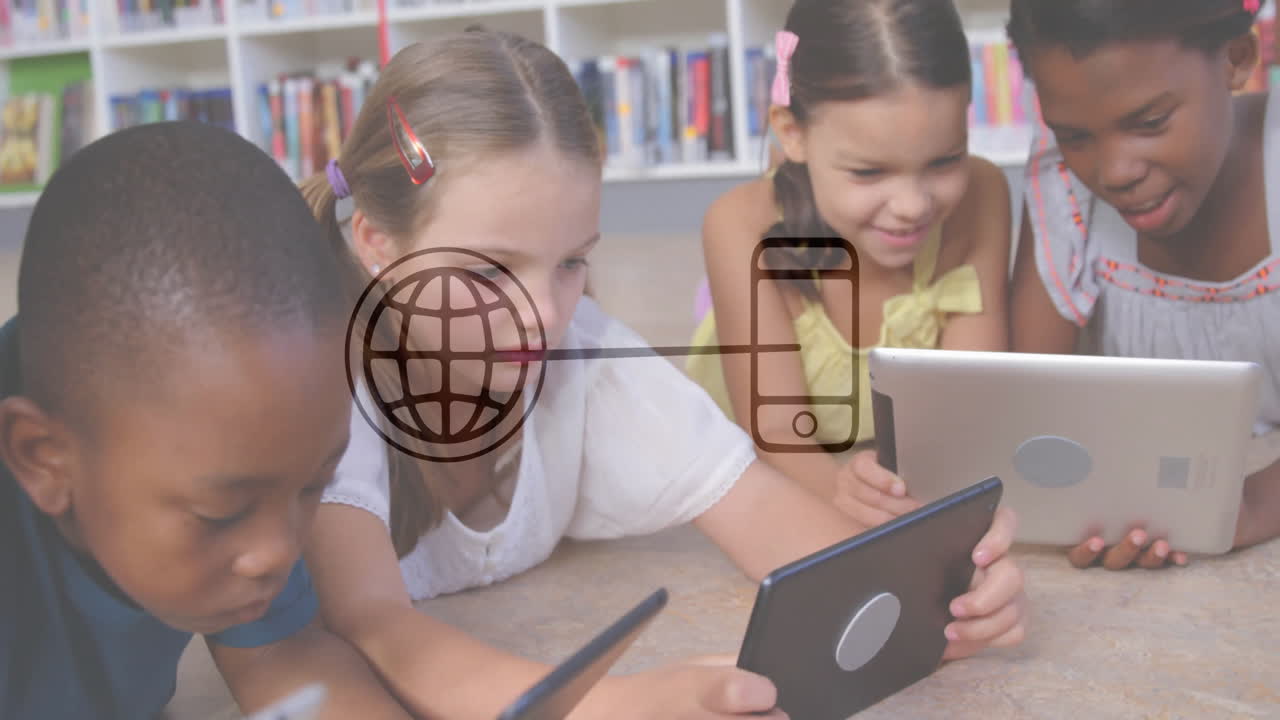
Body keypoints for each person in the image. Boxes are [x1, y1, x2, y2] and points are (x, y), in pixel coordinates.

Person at [299, 29, 1027, 719]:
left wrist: (936, 596)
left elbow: (760, 511)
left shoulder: (580, 354)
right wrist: (609, 705)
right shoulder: (328, 385)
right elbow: (374, 626)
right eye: (492, 270)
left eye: (571, 263)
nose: (543, 315)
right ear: (379, 245)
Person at [0, 121, 409, 719]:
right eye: (221, 514)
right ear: (43, 459)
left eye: (312, 486)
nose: (276, 552)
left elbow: (283, 658)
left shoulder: (231, 449)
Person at [683, 0, 1013, 527]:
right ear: (792, 133)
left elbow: (966, 405)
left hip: (891, 463)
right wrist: (852, 495)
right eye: (868, 172)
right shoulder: (735, 226)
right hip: (773, 473)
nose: (913, 205)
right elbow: (782, 443)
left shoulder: (984, 193)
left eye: (945, 160)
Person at [1006, 0, 1280, 569]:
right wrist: (1085, 507)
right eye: (1076, 134)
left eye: (1150, 123)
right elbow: (1034, 407)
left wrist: (1248, 507)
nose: (1115, 171)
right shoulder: (1065, 192)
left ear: (1236, 58)